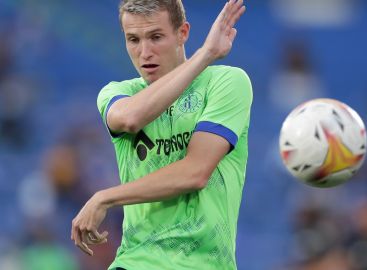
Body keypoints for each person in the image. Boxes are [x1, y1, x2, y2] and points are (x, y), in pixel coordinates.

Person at [70, 0, 251, 269]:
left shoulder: (225, 83)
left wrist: (106, 197)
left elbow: (196, 172)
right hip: (136, 261)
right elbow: (130, 118)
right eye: (133, 39)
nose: (145, 52)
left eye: (156, 37)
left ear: (183, 33)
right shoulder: (117, 93)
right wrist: (206, 55)